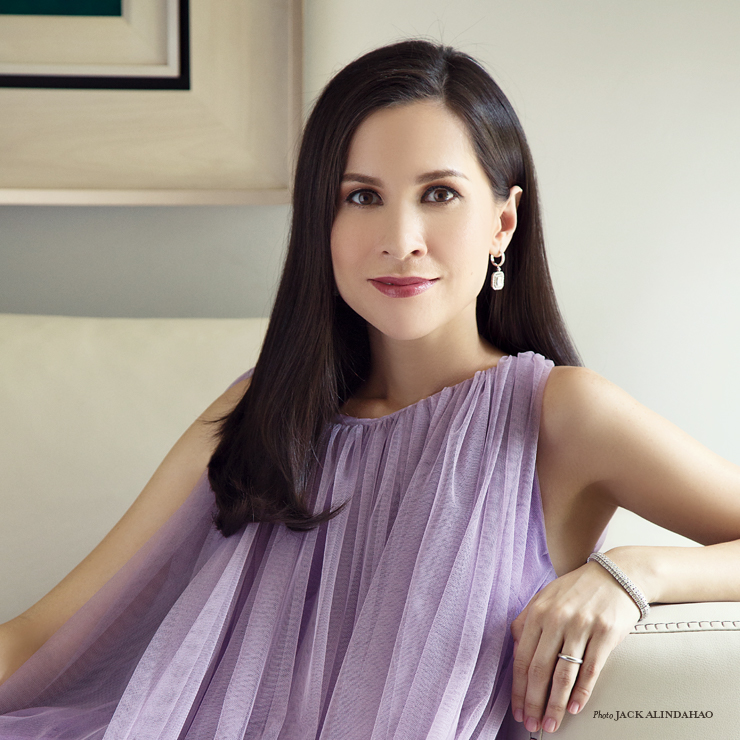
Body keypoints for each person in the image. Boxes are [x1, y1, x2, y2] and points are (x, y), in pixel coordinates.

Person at [1, 38, 739, 739]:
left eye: (440, 193)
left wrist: (632, 572)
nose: (400, 238)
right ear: (320, 223)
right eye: (361, 197)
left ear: (503, 222)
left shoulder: (557, 414)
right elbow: (44, 634)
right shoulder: (262, 410)